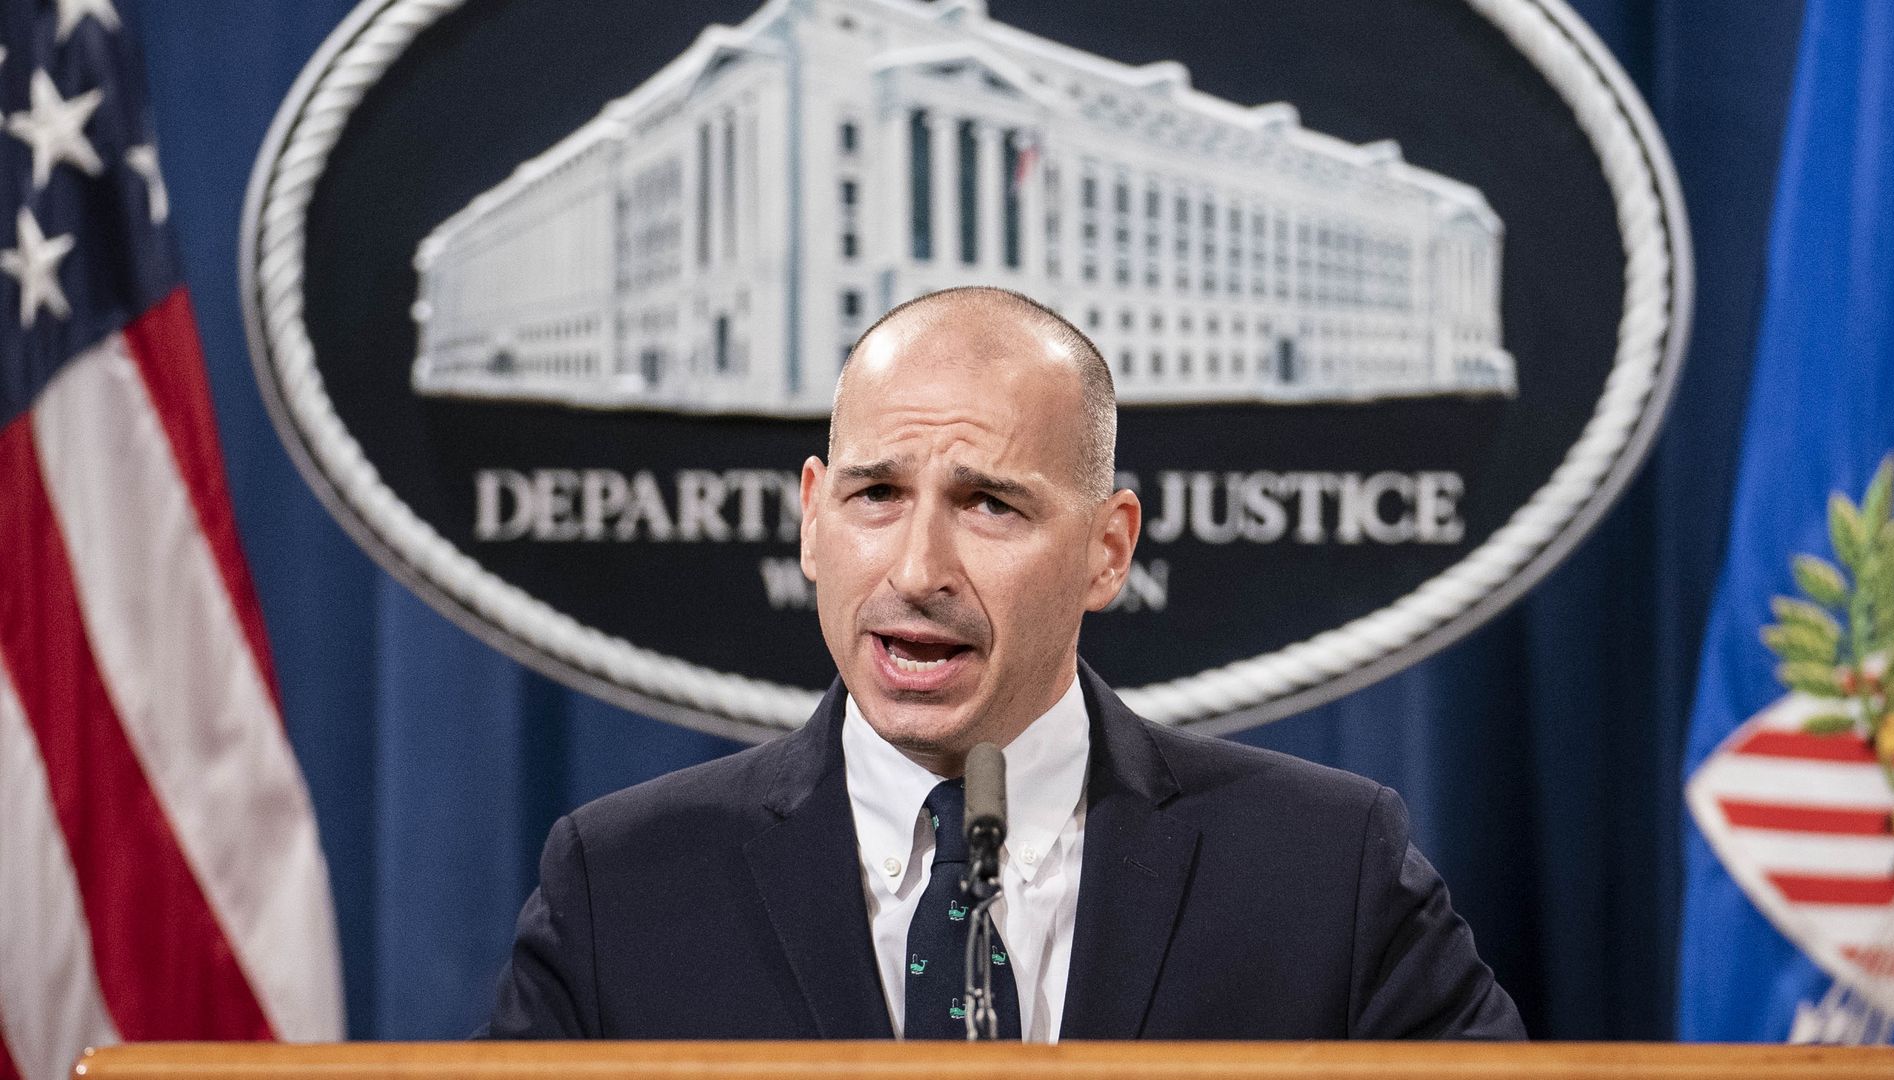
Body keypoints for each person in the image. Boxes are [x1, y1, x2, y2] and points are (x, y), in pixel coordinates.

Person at [485, 286, 1524, 1041]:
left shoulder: (1322, 870)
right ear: (812, 519)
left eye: (990, 503)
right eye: (875, 496)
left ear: (1107, 549)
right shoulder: (620, 889)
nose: (918, 567)